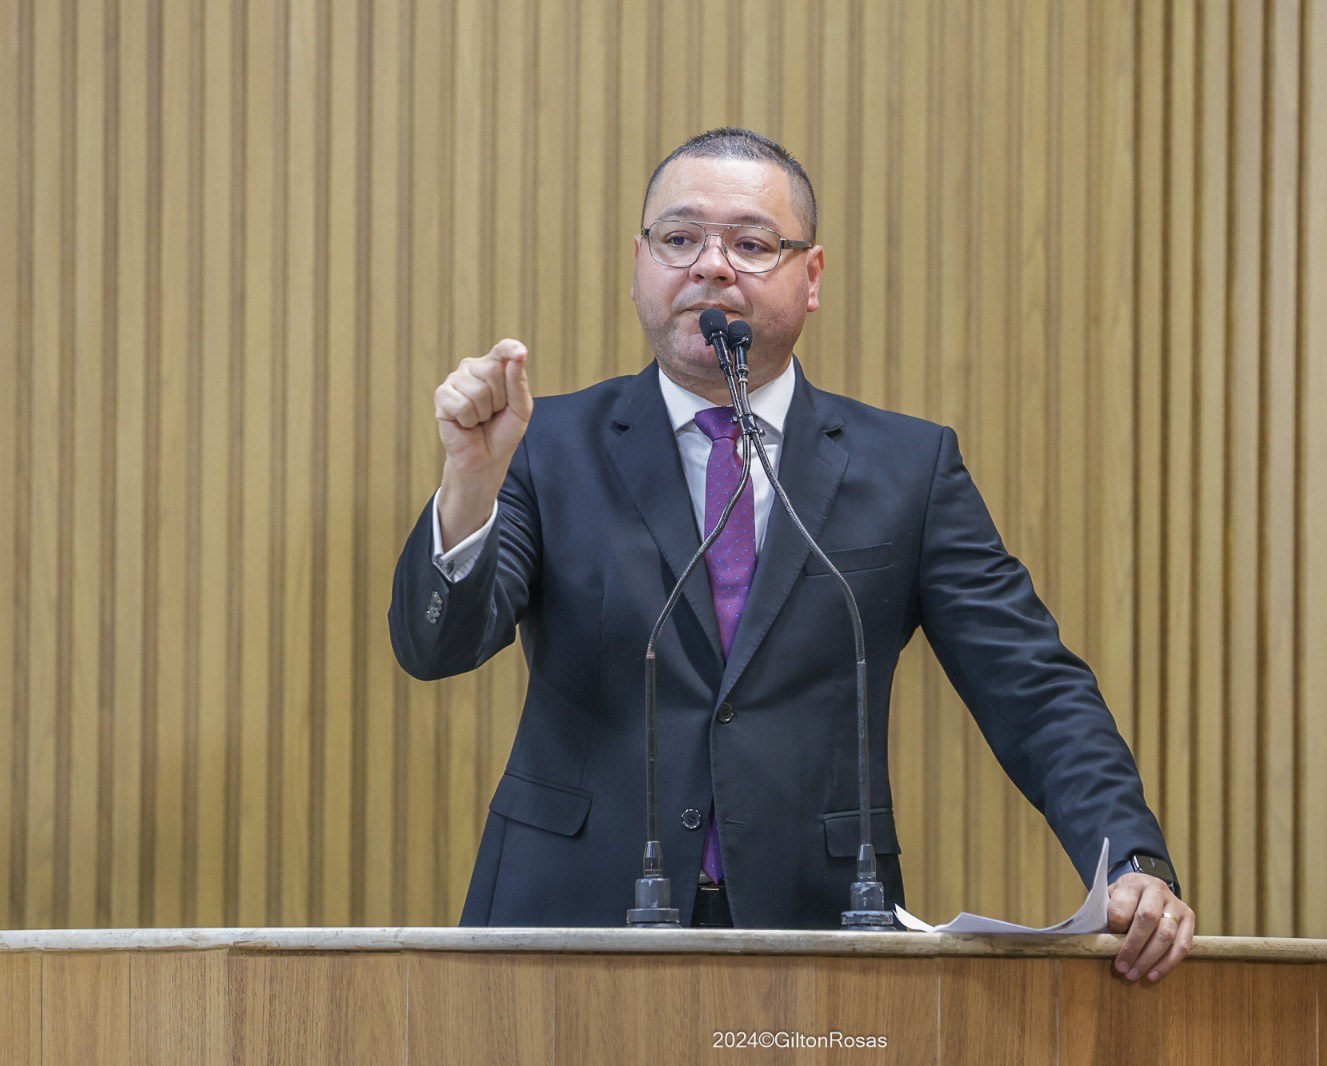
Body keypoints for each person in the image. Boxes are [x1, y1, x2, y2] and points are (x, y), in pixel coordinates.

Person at [390, 128, 1195, 983]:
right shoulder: (547, 444)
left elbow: (1032, 686)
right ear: (639, 266)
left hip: (819, 927)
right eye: (680, 239)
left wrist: (1133, 862)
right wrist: (470, 477)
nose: (711, 266)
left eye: (751, 243)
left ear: (810, 277)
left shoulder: (906, 469)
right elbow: (436, 648)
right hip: (566, 920)